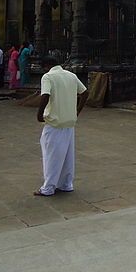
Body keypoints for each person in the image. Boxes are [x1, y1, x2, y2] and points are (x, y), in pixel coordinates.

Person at [34, 57, 88, 197]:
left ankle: (48, 187)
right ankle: (66, 183)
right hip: (69, 122)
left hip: (54, 123)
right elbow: (85, 92)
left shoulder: (48, 77)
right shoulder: (71, 76)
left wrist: (39, 114)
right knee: (67, 156)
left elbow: (45, 95)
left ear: (47, 66)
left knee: (51, 155)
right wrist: (76, 111)